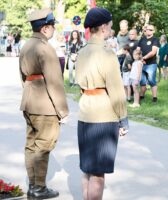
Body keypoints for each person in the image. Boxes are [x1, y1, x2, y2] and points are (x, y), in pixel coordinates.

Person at [75, 7, 129, 200]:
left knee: (87, 170)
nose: (111, 29)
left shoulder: (81, 52)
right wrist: (123, 119)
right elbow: (116, 90)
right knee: (98, 173)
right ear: (104, 27)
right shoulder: (107, 54)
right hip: (103, 116)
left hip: (84, 112)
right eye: (111, 26)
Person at [19, 8, 69, 199]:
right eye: (53, 26)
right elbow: (54, 82)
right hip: (45, 106)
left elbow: (23, 78)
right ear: (46, 28)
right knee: (43, 146)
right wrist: (63, 110)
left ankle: (33, 185)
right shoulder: (45, 48)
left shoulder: (26, 46)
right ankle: (39, 188)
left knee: (31, 145)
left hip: (29, 101)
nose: (54, 29)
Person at [136, 24, 159, 102]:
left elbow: (153, 52)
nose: (148, 31)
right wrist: (139, 58)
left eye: (151, 30)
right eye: (147, 29)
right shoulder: (142, 39)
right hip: (142, 64)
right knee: (142, 81)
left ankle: (154, 98)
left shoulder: (155, 40)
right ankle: (141, 96)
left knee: (151, 81)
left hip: (151, 64)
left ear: (154, 31)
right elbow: (138, 50)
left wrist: (144, 58)